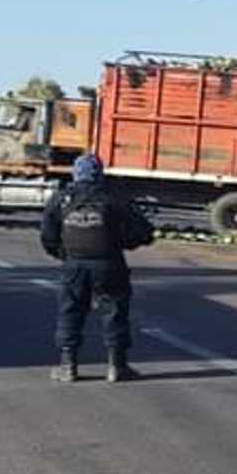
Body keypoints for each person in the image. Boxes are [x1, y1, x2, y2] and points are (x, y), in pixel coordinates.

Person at [40, 154, 154, 383]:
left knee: (70, 312)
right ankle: (116, 366)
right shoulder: (113, 199)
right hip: (109, 263)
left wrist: (65, 255)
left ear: (75, 173)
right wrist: (122, 243)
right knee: (114, 312)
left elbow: (48, 237)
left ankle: (68, 366)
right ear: (99, 173)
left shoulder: (61, 199)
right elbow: (143, 232)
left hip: (74, 265)